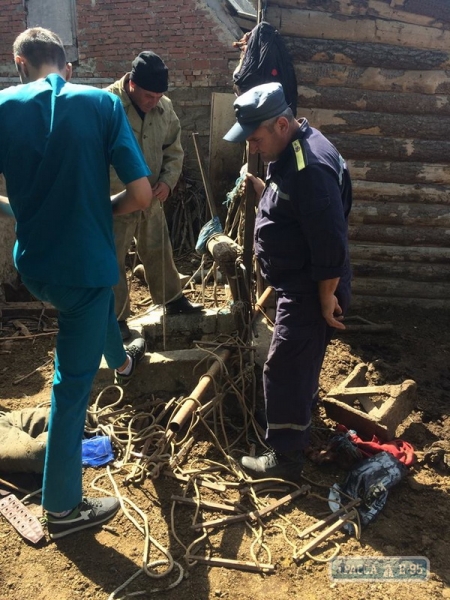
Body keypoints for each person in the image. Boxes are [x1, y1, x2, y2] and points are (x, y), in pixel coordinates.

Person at [0, 27, 153, 538]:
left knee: (98, 302)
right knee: (69, 391)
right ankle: (63, 508)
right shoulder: (102, 105)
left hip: (35, 268)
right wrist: (101, 209)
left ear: (19, 63)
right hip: (83, 271)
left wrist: (22, 208)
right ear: (67, 67)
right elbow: (141, 194)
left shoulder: (3, 105)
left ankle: (123, 359)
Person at [223, 82, 352, 479]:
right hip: (302, 283)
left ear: (281, 124)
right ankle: (299, 415)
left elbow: (329, 241)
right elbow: (298, 208)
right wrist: (264, 192)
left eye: (257, 139)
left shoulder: (309, 167)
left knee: (283, 367)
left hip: (311, 288)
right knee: (300, 361)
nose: (254, 148)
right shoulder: (298, 147)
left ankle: (285, 459)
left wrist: (326, 297)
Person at [108, 51, 202, 340]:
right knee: (113, 259)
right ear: (131, 85)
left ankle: (172, 299)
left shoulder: (165, 107)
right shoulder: (106, 104)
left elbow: (174, 150)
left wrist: (168, 182)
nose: (155, 102)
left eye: (160, 95)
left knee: (159, 248)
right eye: (149, 96)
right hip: (115, 200)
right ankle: (118, 318)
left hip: (152, 196)